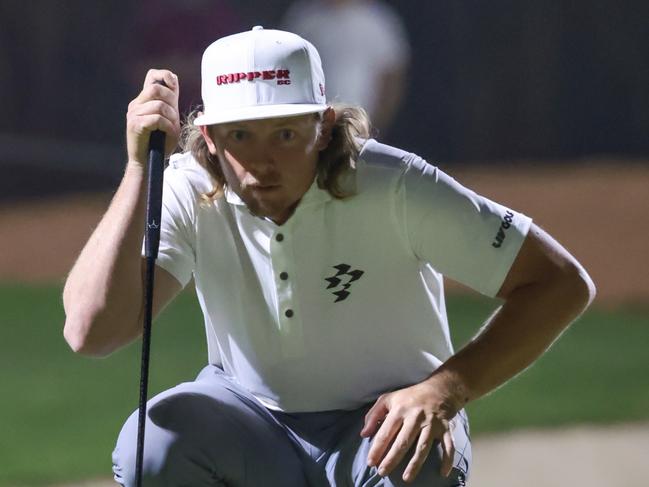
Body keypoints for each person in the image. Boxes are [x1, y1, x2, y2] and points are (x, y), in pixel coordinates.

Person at [62, 26, 595, 486]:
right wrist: (139, 169)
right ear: (208, 136)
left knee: (418, 459)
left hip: (380, 423)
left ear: (325, 125)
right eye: (240, 136)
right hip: (250, 423)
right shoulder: (190, 185)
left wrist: (447, 388)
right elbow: (91, 331)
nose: (259, 164)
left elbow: (561, 283)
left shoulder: (395, 184)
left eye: (286, 133)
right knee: (152, 445)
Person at [281, 0, 410, 135]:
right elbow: (287, 67)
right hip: (314, 124)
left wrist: (376, 125)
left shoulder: (378, 21)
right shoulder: (305, 16)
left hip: (361, 123)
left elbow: (392, 77)